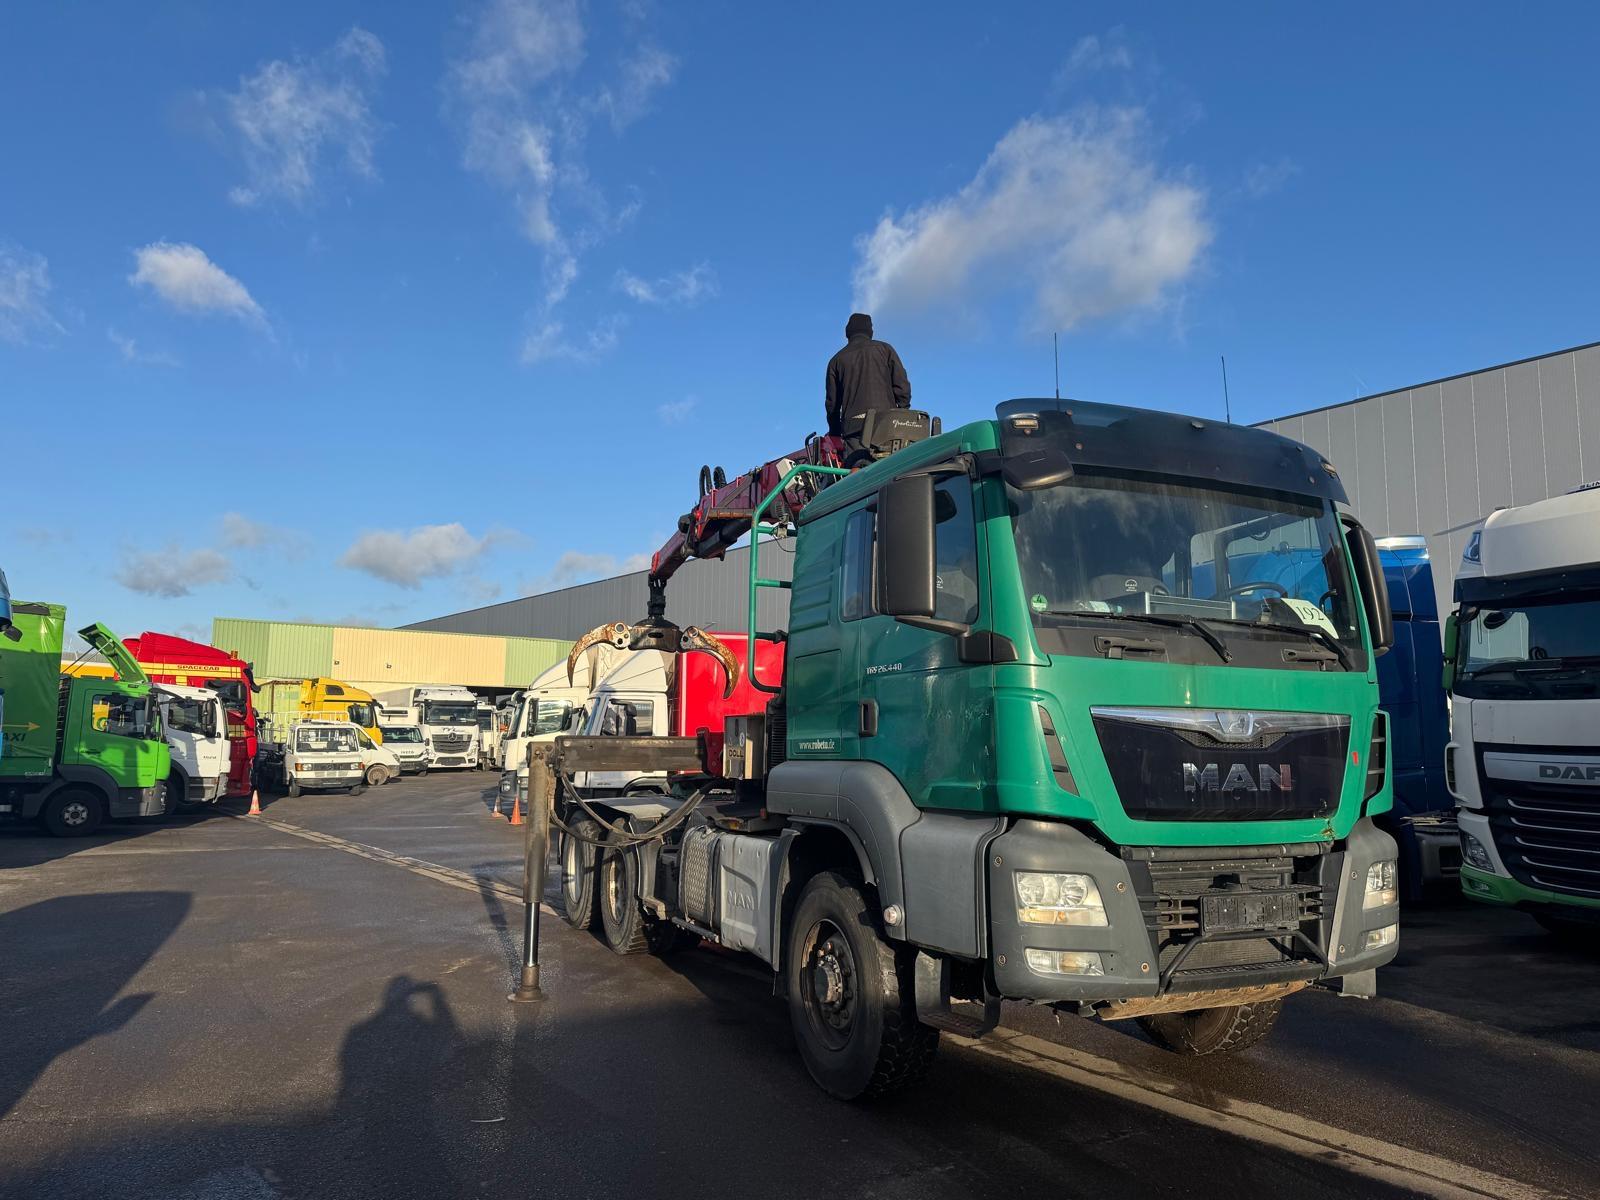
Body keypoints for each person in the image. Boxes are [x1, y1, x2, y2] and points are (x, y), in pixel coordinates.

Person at [825, 312, 911, 466]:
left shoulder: (836, 361)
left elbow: (832, 405)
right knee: (889, 469)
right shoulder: (885, 350)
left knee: (858, 472)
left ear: (848, 333)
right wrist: (902, 413)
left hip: (854, 431)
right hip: (886, 424)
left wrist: (835, 433)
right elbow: (902, 387)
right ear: (870, 331)